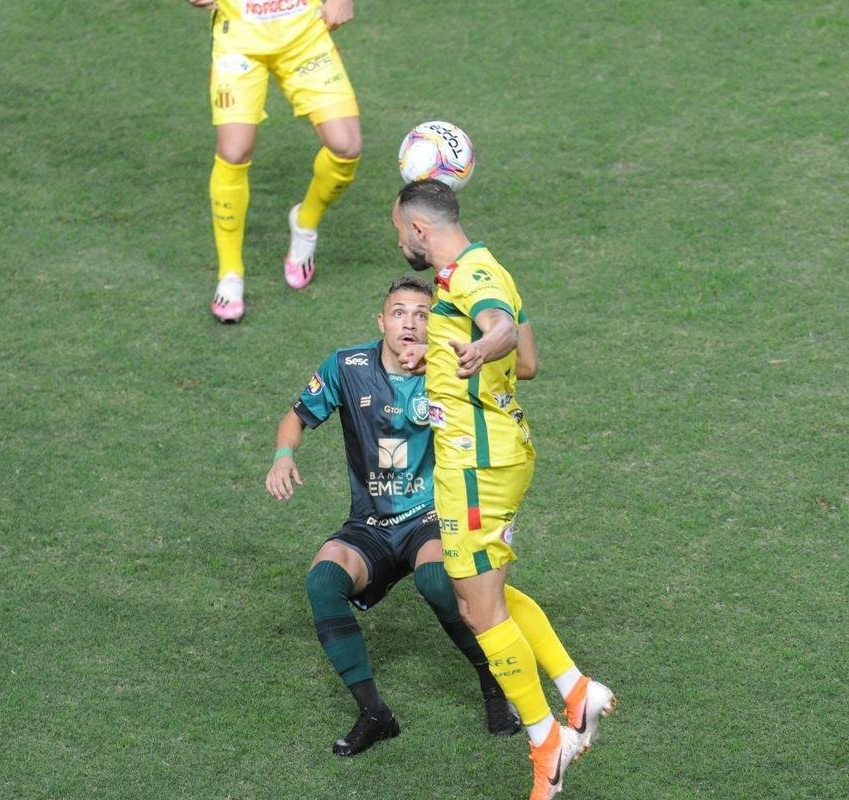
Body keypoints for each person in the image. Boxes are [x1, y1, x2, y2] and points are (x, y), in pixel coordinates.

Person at [390, 180, 616, 800]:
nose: (399, 242)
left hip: (474, 469)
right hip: (498, 454)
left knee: (477, 609)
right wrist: (446, 363)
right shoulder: (487, 268)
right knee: (491, 594)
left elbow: (504, 336)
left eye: (397, 230)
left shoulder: (470, 281)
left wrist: (481, 347)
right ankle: (575, 690)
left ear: (418, 229)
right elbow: (529, 364)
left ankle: (547, 741)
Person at [264, 275, 521, 756]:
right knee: (322, 582)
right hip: (372, 524)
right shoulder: (347, 366)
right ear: (381, 321)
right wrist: (283, 454)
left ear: (436, 325)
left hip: (432, 515)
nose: (410, 322)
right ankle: (375, 714)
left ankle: (494, 688)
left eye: (423, 314)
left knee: (439, 582)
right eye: (400, 312)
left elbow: (517, 373)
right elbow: (296, 416)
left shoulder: (449, 366)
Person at [187, 0, 362, 323]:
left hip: (304, 35)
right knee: (234, 151)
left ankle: (305, 223)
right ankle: (230, 273)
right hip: (239, 37)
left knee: (346, 146)